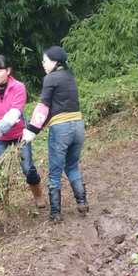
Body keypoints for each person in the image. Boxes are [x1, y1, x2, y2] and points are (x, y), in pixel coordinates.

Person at [22, 46, 87, 222]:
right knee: (72, 166)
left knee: (55, 171)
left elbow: (44, 107)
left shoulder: (50, 78)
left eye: (45, 60)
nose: (43, 64)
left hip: (61, 129)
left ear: (55, 61)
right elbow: (57, 107)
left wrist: (31, 130)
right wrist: (37, 128)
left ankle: (56, 213)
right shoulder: (69, 77)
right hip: (78, 125)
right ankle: (82, 202)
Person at [0, 55, 47, 209]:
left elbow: (15, 112)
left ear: (8, 71)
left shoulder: (18, 87)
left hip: (20, 135)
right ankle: (3, 206)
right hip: (0, 139)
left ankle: (38, 195)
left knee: (27, 168)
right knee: (1, 171)